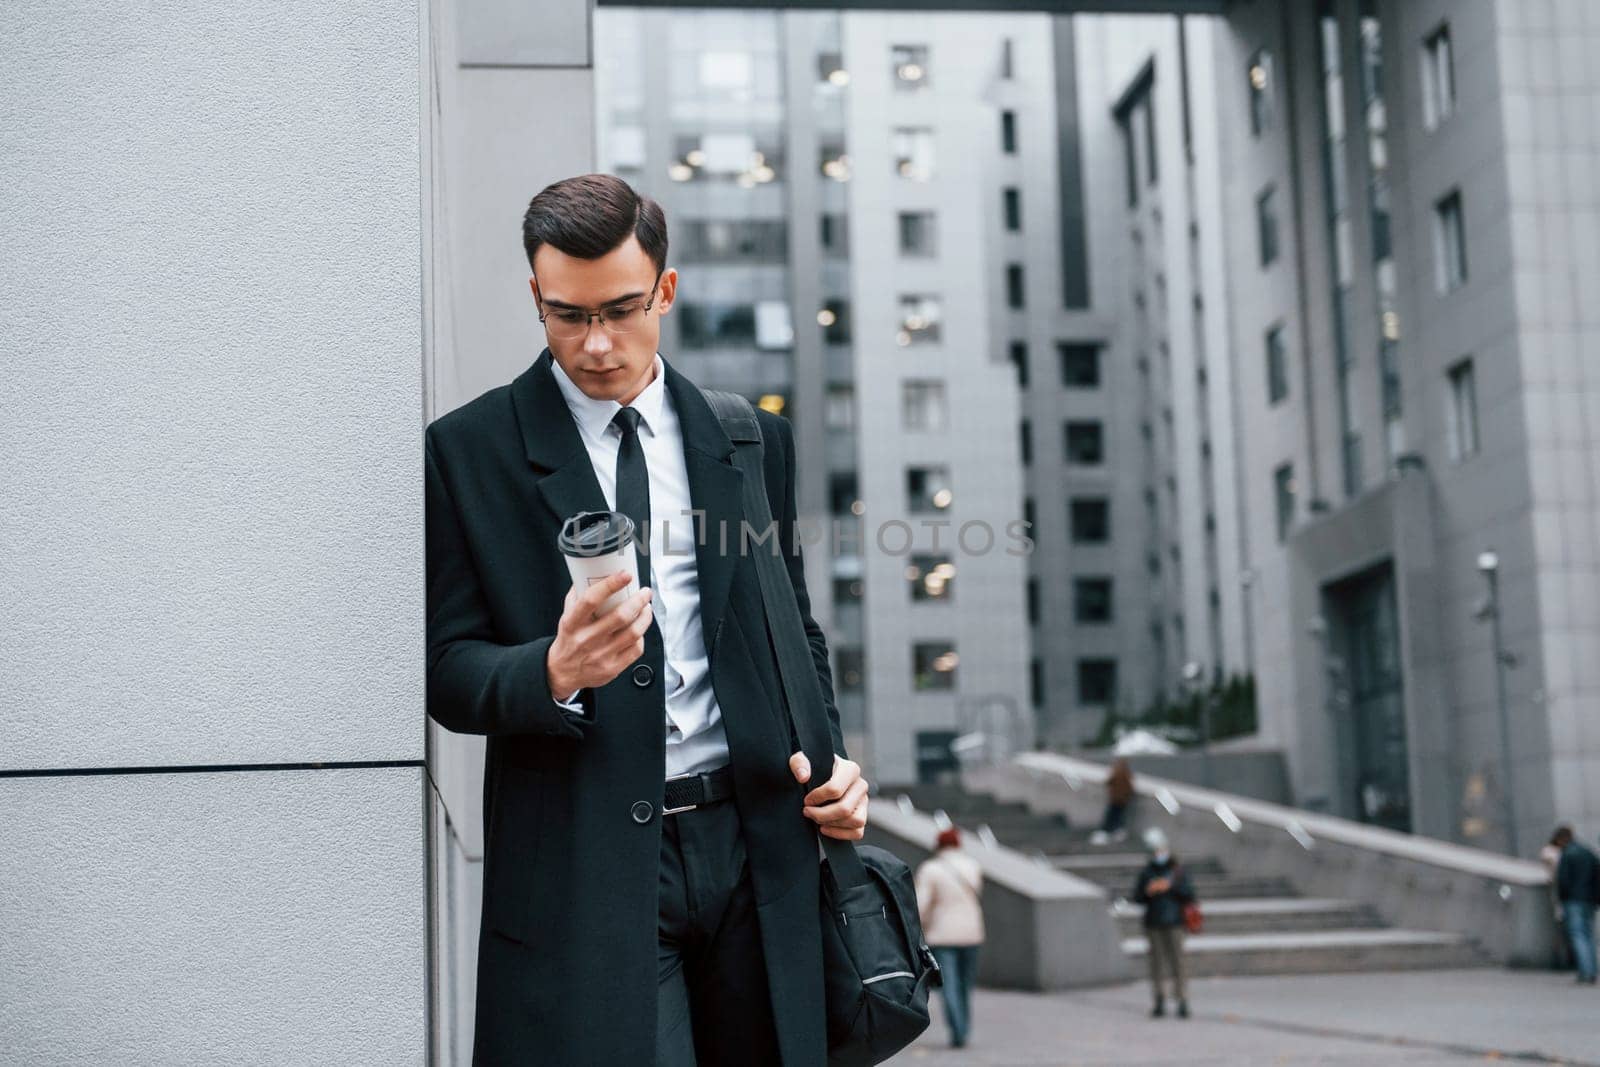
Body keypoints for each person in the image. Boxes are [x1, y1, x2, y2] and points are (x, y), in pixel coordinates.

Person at [425, 174, 869, 1065]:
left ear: (665, 289)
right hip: (586, 865)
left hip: (756, 843)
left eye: (622, 310)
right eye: (567, 315)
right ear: (536, 298)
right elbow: (448, 670)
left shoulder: (749, 440)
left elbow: (796, 631)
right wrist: (551, 671)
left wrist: (835, 763)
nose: (595, 344)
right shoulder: (469, 450)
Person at [915, 827, 985, 1049]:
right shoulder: (972, 866)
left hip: (942, 935)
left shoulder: (931, 869)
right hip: (972, 934)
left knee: (949, 985)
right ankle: (964, 1027)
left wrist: (921, 925)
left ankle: (958, 1031)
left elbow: (920, 905)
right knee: (965, 984)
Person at [1132, 827, 1196, 1019]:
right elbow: (1137, 897)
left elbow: (1189, 894)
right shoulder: (1147, 872)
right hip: (1154, 923)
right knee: (1157, 964)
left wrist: (1171, 887)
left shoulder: (1177, 871)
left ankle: (1182, 999)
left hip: (1175, 922)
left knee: (1179, 962)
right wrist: (1149, 891)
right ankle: (1159, 998)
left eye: (1160, 849)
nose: (1158, 853)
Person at [1552, 826, 1598, 984]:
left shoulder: (1567, 854)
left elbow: (1563, 880)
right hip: (1589, 900)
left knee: (1578, 935)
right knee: (1588, 935)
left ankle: (1585, 972)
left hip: (1573, 901)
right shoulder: (1588, 852)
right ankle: (1592, 970)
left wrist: (1562, 900)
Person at [1093, 758, 1135, 843]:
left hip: (1115, 799)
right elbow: (1130, 788)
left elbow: (1108, 782)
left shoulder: (1117, 773)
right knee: (1118, 816)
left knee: (1111, 815)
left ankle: (1107, 831)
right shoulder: (1127, 775)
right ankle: (1117, 830)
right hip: (1122, 800)